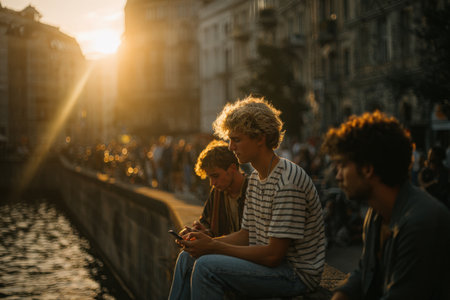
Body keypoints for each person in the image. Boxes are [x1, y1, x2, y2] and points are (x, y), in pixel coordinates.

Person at [168, 96, 325, 299]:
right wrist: (207, 241)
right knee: (186, 258)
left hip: (294, 274)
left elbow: (273, 255)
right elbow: (246, 235)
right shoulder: (256, 179)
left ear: (260, 138)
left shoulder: (287, 182)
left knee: (206, 267)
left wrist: (213, 246)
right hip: (274, 266)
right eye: (231, 139)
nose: (231, 147)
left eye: (237, 139)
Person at [321, 111, 450, 300]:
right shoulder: (376, 214)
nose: (338, 175)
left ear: (367, 169)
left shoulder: (421, 223)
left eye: (342, 165)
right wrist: (342, 293)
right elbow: (366, 269)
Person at [180, 139, 248, 238]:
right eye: (210, 178)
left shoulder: (251, 189)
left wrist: (212, 240)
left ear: (232, 168)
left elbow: (248, 237)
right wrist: (201, 231)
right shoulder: (218, 192)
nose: (212, 183)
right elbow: (206, 222)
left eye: (215, 176)